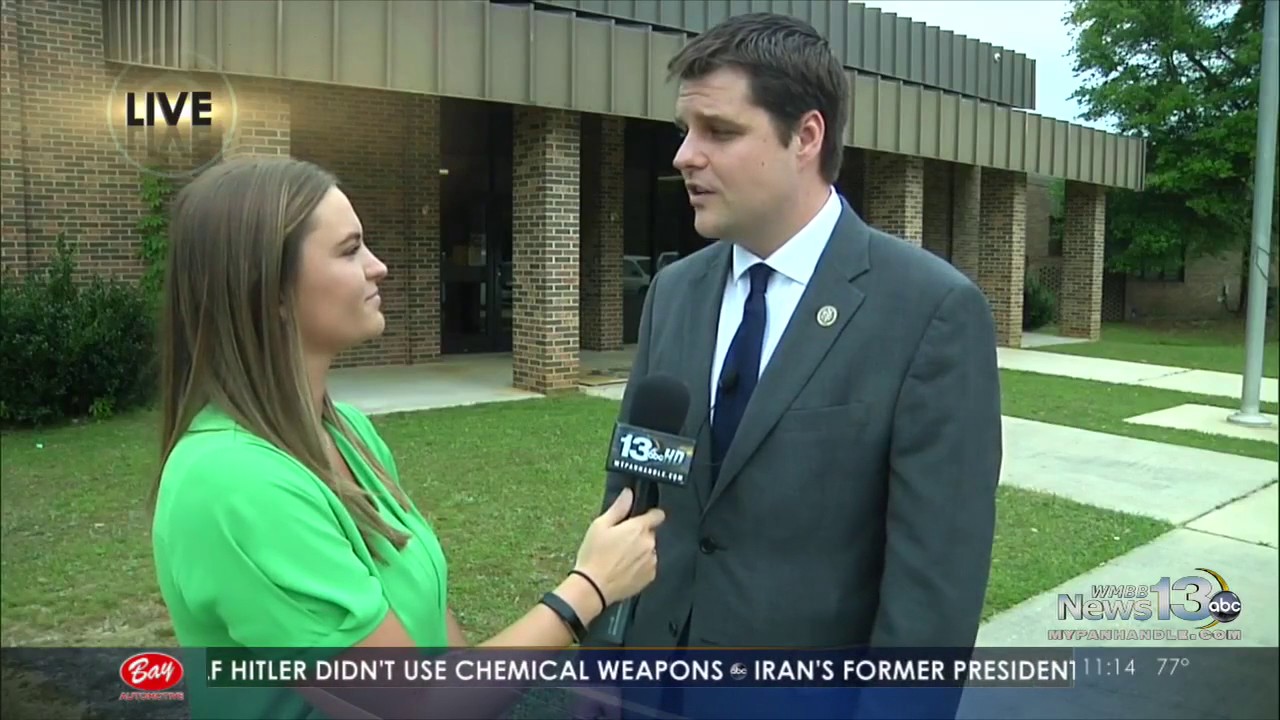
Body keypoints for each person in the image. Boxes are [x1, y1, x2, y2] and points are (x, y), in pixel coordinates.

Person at [577, 12, 1002, 720]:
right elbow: (633, 496)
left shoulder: (930, 312)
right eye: (686, 131)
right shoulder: (674, 295)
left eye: (719, 131)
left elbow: (933, 592)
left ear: (807, 136)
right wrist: (600, 666)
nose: (685, 155)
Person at [148, 156, 665, 720]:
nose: (380, 267)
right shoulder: (232, 483)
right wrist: (586, 590)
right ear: (268, 289)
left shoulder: (351, 435)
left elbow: (442, 664)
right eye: (349, 250)